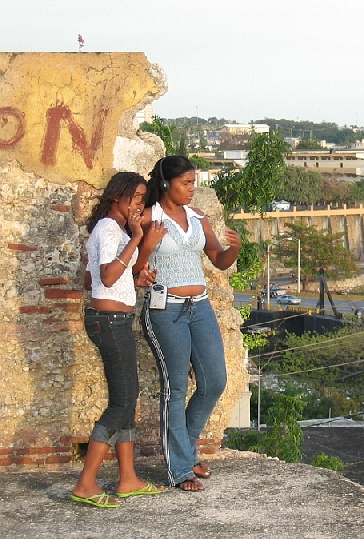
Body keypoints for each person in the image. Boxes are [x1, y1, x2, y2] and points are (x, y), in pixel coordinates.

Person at [137, 156, 241, 492]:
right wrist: (145, 256)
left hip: (200, 307)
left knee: (214, 382)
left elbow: (219, 260)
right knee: (175, 388)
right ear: (167, 183)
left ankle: (187, 447)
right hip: (165, 308)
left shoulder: (198, 218)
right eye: (186, 183)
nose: (192, 189)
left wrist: (234, 250)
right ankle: (180, 468)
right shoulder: (148, 217)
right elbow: (133, 266)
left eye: (194, 182)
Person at [71, 172, 164, 508]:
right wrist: (138, 237)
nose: (141, 203)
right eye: (137, 197)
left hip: (112, 318)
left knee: (127, 397)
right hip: (110, 321)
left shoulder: (108, 231)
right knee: (122, 402)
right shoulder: (111, 229)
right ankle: (86, 483)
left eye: (143, 197)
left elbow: (92, 278)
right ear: (117, 197)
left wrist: (133, 280)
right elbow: (108, 276)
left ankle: (127, 479)